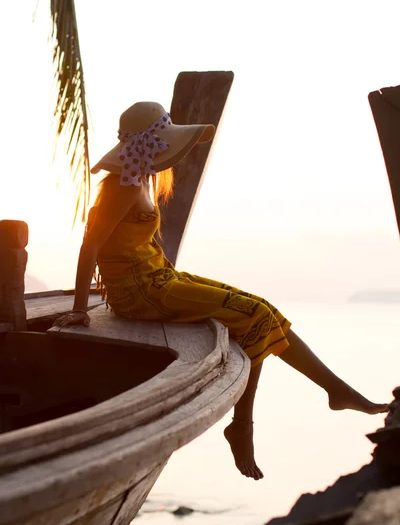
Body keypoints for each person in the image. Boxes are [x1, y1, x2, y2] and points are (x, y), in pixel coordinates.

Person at [54, 101, 389, 481]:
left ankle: (335, 390)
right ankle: (244, 426)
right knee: (253, 316)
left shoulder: (140, 179)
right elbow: (90, 245)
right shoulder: (121, 185)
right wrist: (82, 308)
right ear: (146, 146)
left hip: (159, 278)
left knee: (263, 308)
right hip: (140, 292)